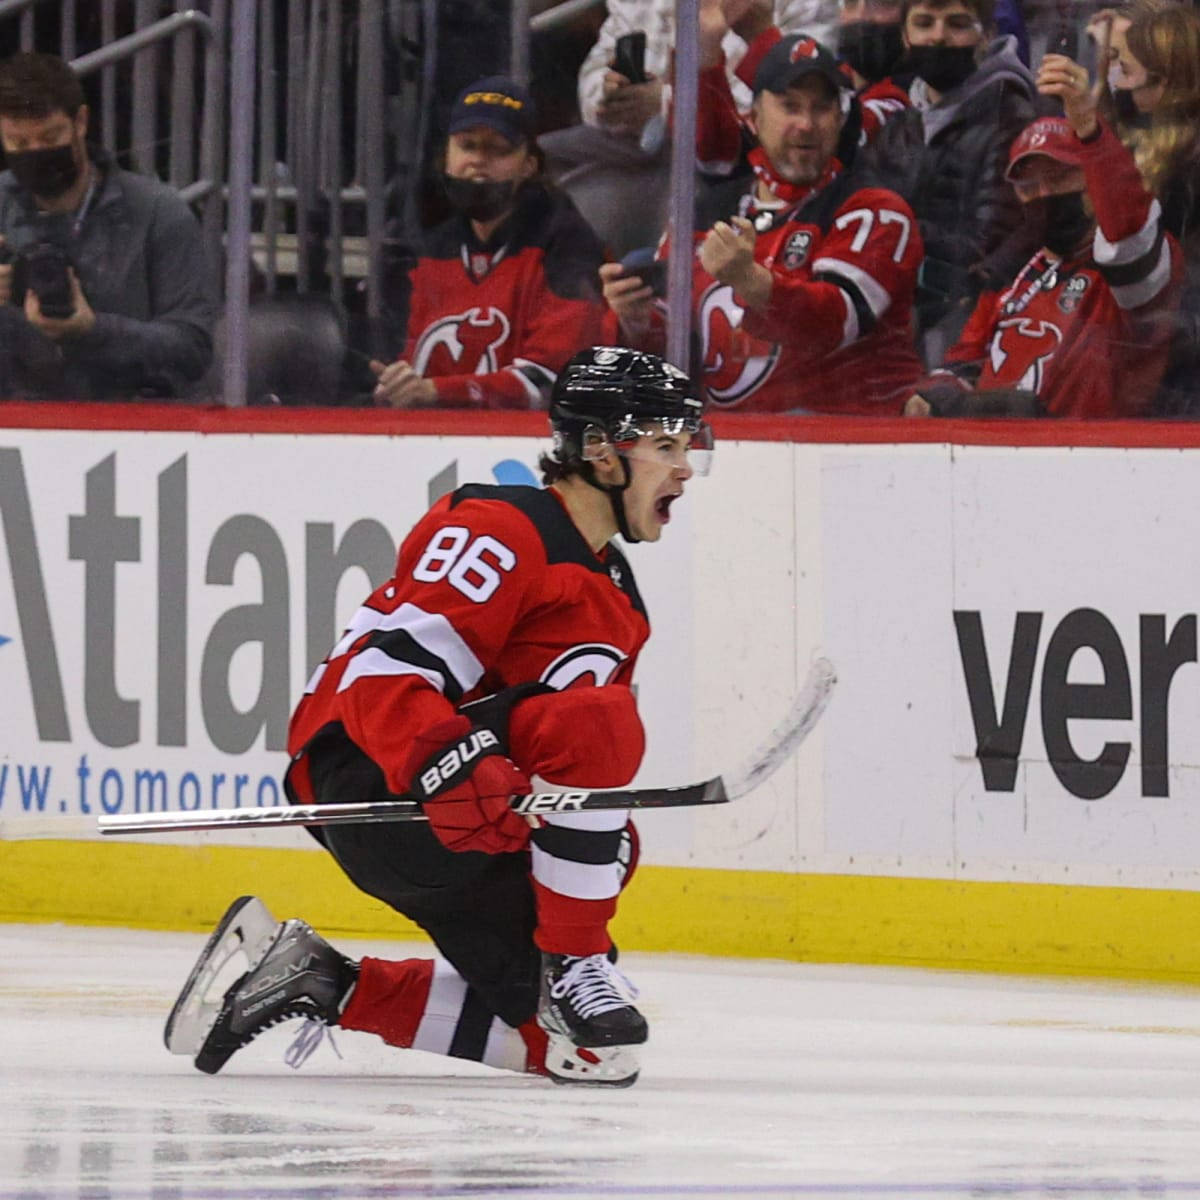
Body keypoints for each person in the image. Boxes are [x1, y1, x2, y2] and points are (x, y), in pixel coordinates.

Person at [165, 346, 715, 1088]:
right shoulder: (501, 526)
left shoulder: (620, 599)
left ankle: (317, 979)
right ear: (598, 451)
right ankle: (577, 961)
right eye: (665, 446)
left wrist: (586, 838)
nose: (684, 468)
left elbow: (568, 763)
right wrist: (450, 760)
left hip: (477, 822)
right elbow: (380, 675)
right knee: (600, 722)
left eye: (688, 449)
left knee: (587, 1053)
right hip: (378, 783)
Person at [603, 34, 924, 414]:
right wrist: (635, 321)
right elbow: (672, 359)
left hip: (851, 448)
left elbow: (831, 324)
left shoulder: (875, 212)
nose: (806, 124)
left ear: (840, 121)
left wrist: (751, 281)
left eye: (821, 109)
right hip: (733, 449)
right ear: (753, 119)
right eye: (790, 106)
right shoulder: (706, 213)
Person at [902, 54, 1183, 419]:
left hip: (1092, 458)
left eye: (1060, 177)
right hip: (992, 454)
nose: (1044, 193)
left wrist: (1090, 131)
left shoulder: (1134, 269)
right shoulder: (1012, 274)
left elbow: (1126, 231)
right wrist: (932, 397)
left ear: (1092, 176)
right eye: (1029, 184)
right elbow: (962, 363)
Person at [371, 77, 607, 410]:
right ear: (448, 156)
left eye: (498, 150)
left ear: (529, 165)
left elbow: (557, 379)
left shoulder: (568, 247)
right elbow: (387, 368)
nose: (479, 160)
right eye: (467, 146)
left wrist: (438, 393)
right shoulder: (422, 252)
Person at [0, 52, 217, 401]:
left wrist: (92, 330)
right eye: (19, 143)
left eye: (50, 136)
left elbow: (193, 348)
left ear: (81, 122)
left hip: (131, 420)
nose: (36, 152)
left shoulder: (158, 212)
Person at [539, 0, 828, 258]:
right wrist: (609, 93)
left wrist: (667, 103)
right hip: (630, 136)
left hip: (728, 152)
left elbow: (808, 97)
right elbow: (595, 69)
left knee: (689, 181)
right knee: (542, 157)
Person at [858, 0, 1039, 362]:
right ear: (906, 36)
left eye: (956, 23)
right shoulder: (899, 128)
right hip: (894, 319)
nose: (938, 37)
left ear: (987, 36)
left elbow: (987, 250)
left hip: (972, 332)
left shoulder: (1013, 119)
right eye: (924, 23)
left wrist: (897, 236)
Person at [694, 0, 910, 180]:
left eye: (883, 2)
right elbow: (718, 161)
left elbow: (847, 135)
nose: (862, 16)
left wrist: (758, 34)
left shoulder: (907, 101)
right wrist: (707, 57)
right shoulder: (837, 74)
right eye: (851, 3)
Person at [1107, 4, 1200, 412]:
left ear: (1163, 82)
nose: (1115, 83)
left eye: (1124, 70)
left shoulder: (1185, 169)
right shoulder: (1160, 154)